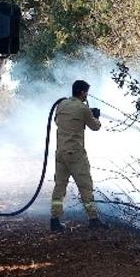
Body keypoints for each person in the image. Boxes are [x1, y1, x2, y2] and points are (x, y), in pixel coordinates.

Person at [50, 79, 104, 232]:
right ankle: (93, 219)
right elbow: (95, 127)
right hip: (75, 154)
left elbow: (57, 121)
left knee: (59, 187)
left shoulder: (62, 105)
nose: (87, 95)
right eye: (86, 92)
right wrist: (96, 116)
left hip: (60, 153)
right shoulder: (83, 108)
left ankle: (54, 220)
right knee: (86, 186)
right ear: (82, 92)